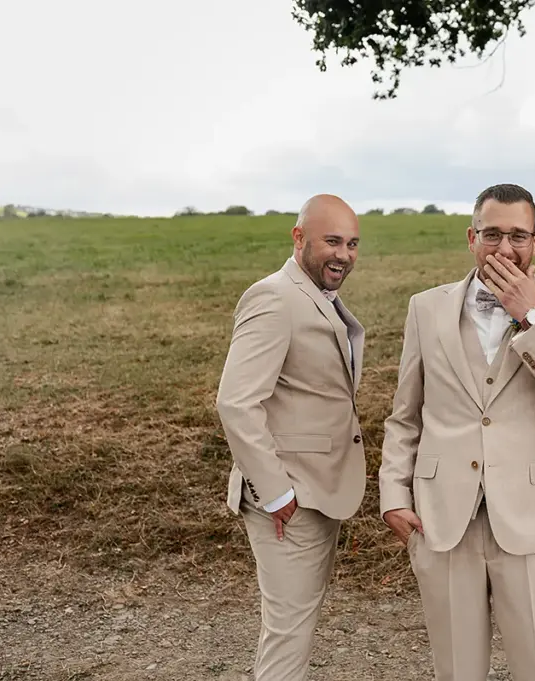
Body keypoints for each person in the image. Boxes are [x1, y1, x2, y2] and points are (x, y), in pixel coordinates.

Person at [378, 183, 535, 681]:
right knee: (456, 671)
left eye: (518, 236)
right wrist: (393, 495)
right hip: (443, 519)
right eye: (492, 234)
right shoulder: (425, 308)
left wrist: (533, 319)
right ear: (471, 238)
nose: (505, 248)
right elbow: (406, 414)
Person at [214, 194, 367, 681]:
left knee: (293, 626)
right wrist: (277, 493)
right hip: (289, 499)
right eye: (332, 241)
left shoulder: (316, 297)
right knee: (288, 635)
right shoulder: (274, 298)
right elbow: (236, 402)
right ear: (299, 238)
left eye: (352, 244)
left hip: (318, 490)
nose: (343, 254)